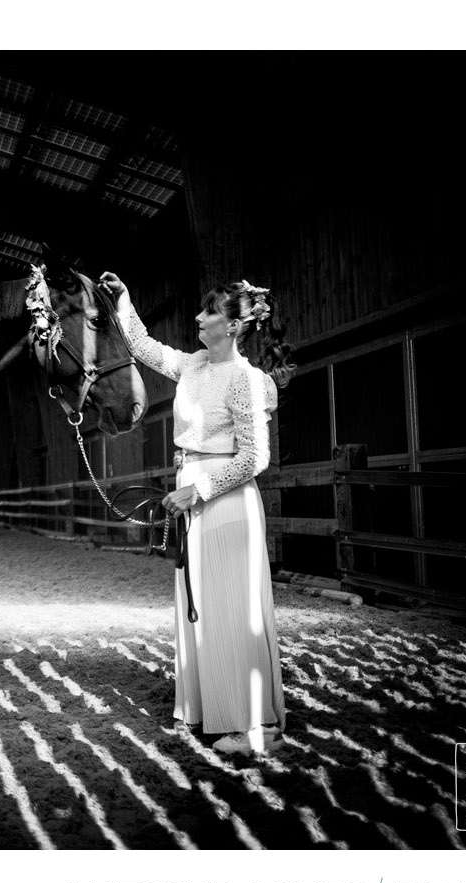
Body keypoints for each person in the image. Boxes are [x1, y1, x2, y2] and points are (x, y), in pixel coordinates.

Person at [99, 272, 292, 754]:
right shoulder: (195, 365)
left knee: (230, 611)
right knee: (201, 607)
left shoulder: (245, 380)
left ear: (231, 326)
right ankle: (214, 711)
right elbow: (143, 346)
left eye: (208, 312)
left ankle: (246, 727)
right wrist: (124, 301)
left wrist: (198, 489)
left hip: (226, 505)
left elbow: (255, 458)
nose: (198, 318)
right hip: (195, 499)